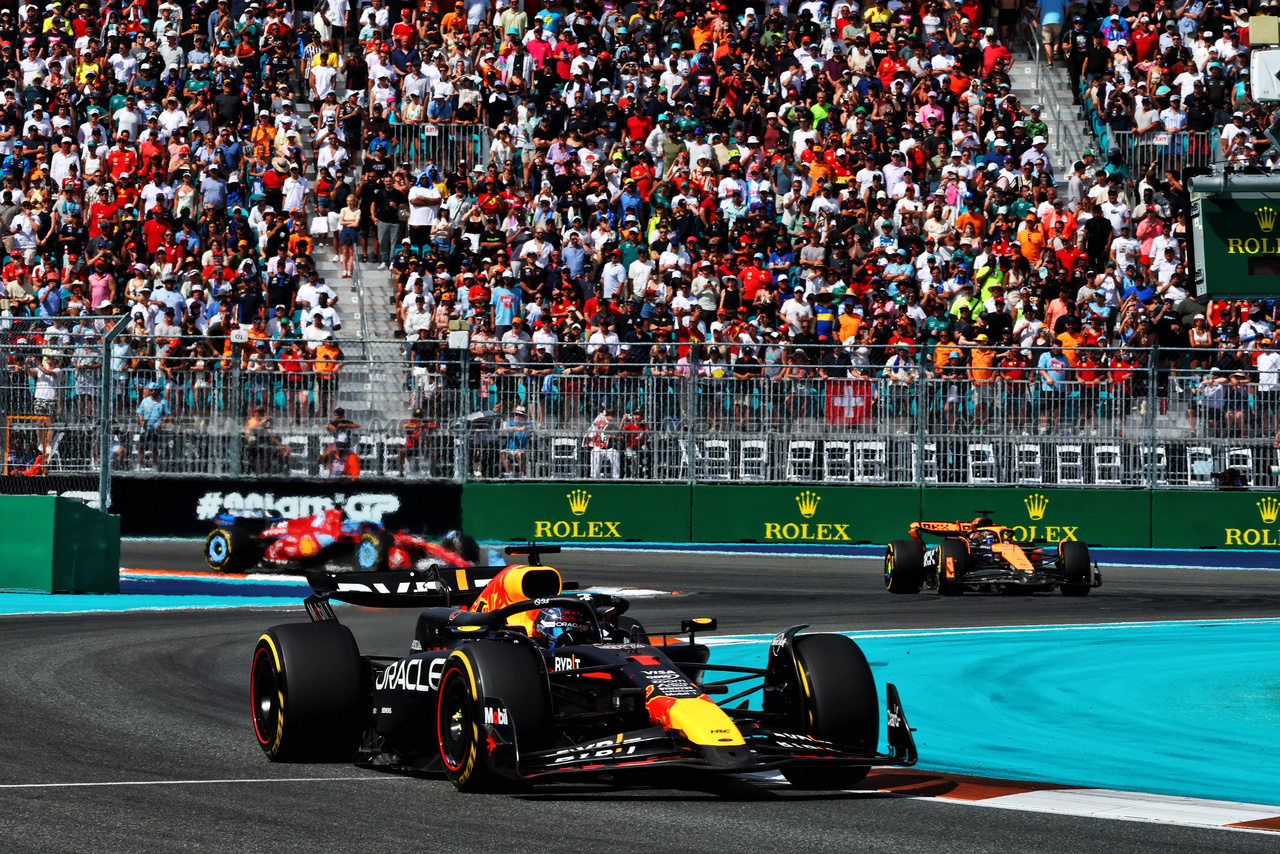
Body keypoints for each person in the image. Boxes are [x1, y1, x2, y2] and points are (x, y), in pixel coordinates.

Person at [136, 382, 171, 470]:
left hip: (156, 428)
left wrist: (162, 423)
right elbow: (140, 413)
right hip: (145, 428)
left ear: (158, 390)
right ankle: (139, 465)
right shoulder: (145, 401)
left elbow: (167, 414)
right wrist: (141, 421)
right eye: (151, 390)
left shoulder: (163, 401)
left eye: (155, 390)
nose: (153, 391)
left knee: (155, 447)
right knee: (141, 446)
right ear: (149, 391)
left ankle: (155, 465)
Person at [584, 407, 620, 479]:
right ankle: (594, 476)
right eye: (610, 415)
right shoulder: (599, 422)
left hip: (609, 448)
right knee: (596, 452)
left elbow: (618, 434)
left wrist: (612, 437)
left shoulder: (613, 426)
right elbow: (600, 417)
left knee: (615, 453)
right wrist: (605, 414)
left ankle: (616, 476)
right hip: (598, 447)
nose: (611, 417)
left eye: (613, 415)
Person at [501, 405, 530, 477]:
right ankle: (510, 473)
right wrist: (515, 428)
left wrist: (525, 428)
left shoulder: (527, 424)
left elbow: (530, 428)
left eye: (519, 415)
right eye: (516, 414)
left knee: (520, 454)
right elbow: (507, 428)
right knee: (503, 453)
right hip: (510, 449)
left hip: (522, 449)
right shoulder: (510, 423)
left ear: (524, 416)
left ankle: (523, 474)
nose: (517, 416)